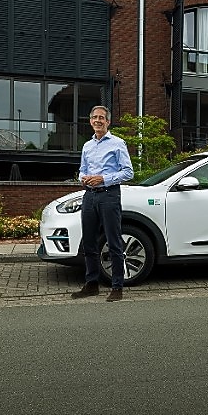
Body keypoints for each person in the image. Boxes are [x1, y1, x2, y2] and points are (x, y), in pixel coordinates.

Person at [70, 105, 134, 302]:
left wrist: (103, 179)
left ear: (108, 121)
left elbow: (128, 172)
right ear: (90, 121)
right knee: (89, 242)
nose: (98, 120)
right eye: (94, 117)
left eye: (101, 118)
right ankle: (92, 284)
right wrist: (84, 178)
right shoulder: (87, 146)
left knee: (113, 241)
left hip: (109, 195)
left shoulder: (117, 143)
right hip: (89, 196)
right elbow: (82, 169)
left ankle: (117, 286)